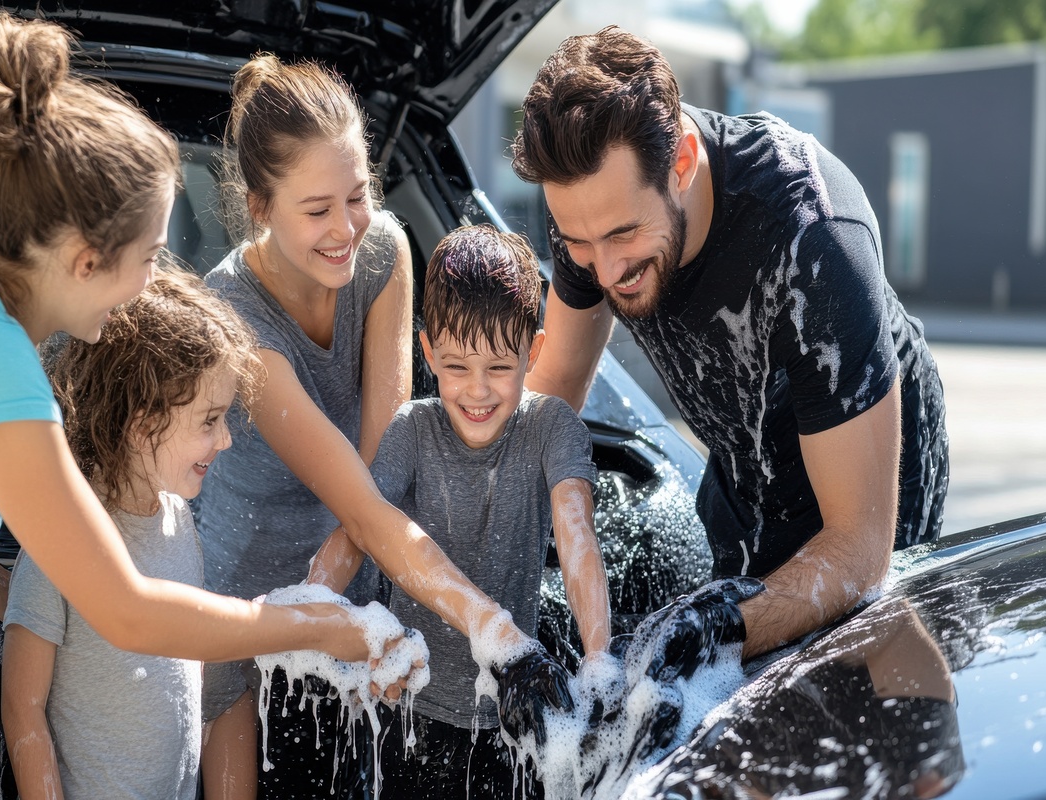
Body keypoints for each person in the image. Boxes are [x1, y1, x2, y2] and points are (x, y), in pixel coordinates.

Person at [0, 14, 403, 798]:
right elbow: (128, 613)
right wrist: (321, 625)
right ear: (84, 260)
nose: (153, 283)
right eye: (147, 257)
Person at [510, 27, 949, 683]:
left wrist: (718, 631)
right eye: (579, 242)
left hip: (870, 489)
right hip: (743, 471)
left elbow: (859, 551)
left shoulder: (813, 238)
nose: (603, 269)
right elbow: (556, 387)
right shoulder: (591, 201)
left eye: (624, 234)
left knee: (835, 706)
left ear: (682, 160)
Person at [196, 54, 561, 798]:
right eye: (317, 209)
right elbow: (364, 501)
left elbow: (380, 462)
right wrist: (500, 636)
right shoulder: (233, 315)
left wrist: (350, 594)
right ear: (261, 206)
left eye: (357, 196)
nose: (344, 229)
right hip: (247, 605)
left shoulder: (383, 252)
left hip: (363, 576)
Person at [308, 224, 613, 798]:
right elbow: (359, 530)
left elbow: (578, 541)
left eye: (500, 367)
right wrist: (309, 611)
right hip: (407, 711)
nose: (477, 391)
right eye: (455, 366)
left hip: (507, 718)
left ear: (535, 350)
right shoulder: (411, 431)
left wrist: (598, 663)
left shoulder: (551, 427)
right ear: (426, 351)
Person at [1, 268, 261, 799]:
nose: (227, 439)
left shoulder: (179, 518)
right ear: (144, 425)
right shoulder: (67, 535)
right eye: (209, 420)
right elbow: (21, 707)